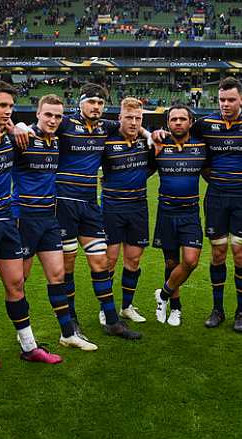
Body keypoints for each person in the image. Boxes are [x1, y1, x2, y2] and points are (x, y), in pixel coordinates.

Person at [154, 77, 242, 332]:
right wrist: (157, 133)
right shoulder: (205, 124)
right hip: (215, 198)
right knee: (218, 254)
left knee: (240, 254)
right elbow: (181, 138)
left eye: (231, 100)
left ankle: (241, 312)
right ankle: (217, 309)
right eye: (221, 100)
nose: (226, 104)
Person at [0, 80, 62, 366]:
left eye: (11, 106)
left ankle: (29, 346)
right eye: (3, 105)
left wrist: (16, 125)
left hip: (8, 220)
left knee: (16, 283)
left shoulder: (13, 136)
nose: (8, 111)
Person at [53, 83, 142, 340]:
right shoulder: (66, 125)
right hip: (64, 204)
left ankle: (112, 321)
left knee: (100, 262)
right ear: (80, 103)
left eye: (100, 103)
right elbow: (39, 127)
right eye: (91, 102)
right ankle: (71, 319)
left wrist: (150, 134)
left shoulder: (106, 127)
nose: (96, 107)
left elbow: (130, 125)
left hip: (91, 205)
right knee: (67, 264)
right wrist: (22, 127)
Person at [12, 94, 98, 351]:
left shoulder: (58, 142)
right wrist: (17, 126)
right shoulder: (23, 139)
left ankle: (67, 333)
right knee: (19, 281)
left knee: (58, 275)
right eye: (48, 114)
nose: (52, 120)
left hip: (50, 217)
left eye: (58, 116)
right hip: (23, 218)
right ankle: (24, 336)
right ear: (37, 114)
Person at [100, 97, 154, 325]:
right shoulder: (107, 140)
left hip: (138, 207)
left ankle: (127, 306)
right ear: (119, 118)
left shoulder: (146, 143)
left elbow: (152, 166)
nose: (133, 122)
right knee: (109, 261)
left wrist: (147, 133)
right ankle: (106, 309)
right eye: (129, 117)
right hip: (112, 208)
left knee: (133, 260)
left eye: (138, 118)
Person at [152, 104, 207, 326]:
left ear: (190, 122)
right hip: (166, 211)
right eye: (173, 119)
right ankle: (175, 308)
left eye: (182, 119)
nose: (177, 122)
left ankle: (163, 294)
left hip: (190, 212)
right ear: (167, 123)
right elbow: (142, 168)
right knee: (171, 262)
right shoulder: (158, 144)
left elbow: (212, 170)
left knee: (191, 261)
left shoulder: (202, 146)